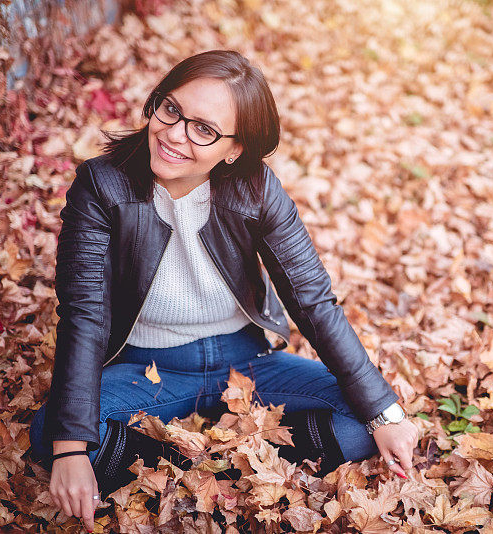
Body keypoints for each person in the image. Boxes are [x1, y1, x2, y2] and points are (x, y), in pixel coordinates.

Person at [28, 49, 418, 531]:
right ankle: (193, 471)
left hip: (249, 365)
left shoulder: (256, 189)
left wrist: (387, 412)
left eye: (204, 130)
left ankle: (203, 471)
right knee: (55, 433)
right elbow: (83, 314)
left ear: (233, 149)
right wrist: (70, 450)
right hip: (150, 371)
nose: (174, 135)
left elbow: (312, 300)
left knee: (365, 423)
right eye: (171, 110)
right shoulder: (102, 185)